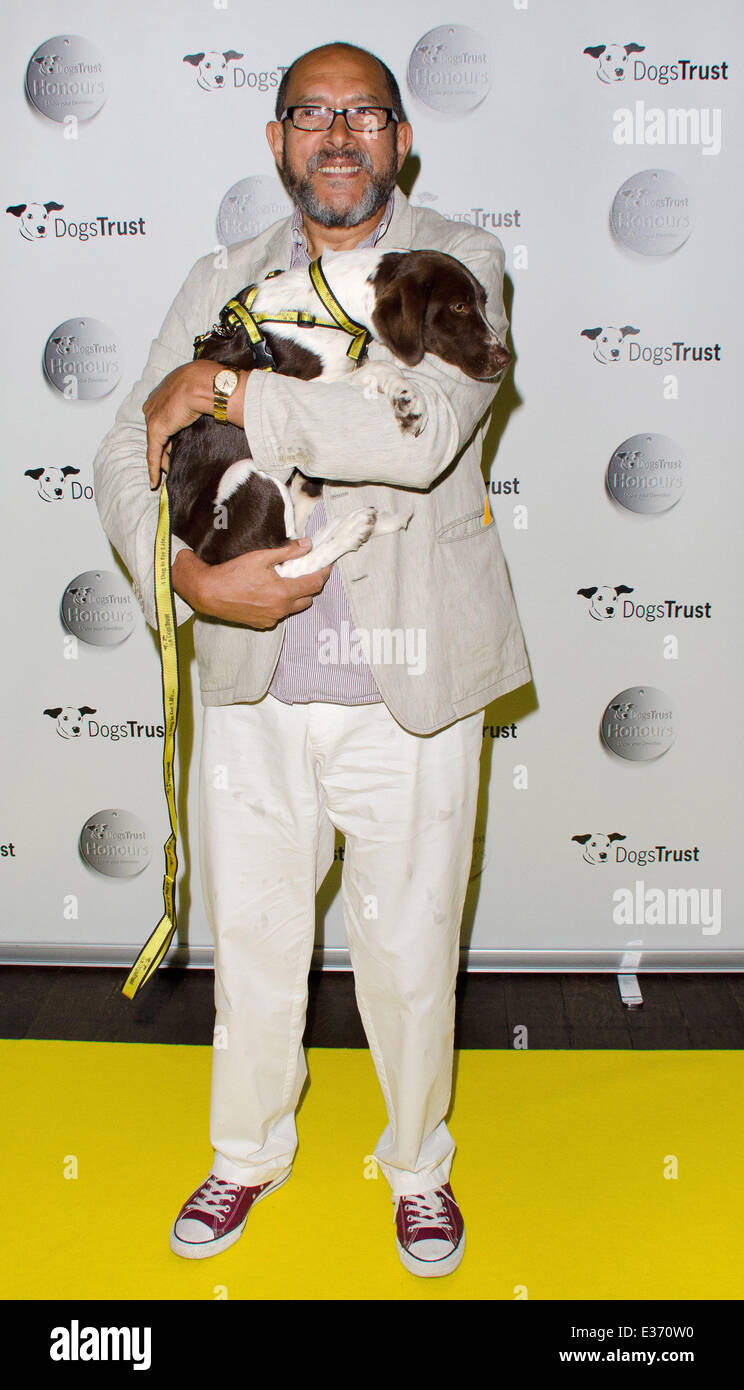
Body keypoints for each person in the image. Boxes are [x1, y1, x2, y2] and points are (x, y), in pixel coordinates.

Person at [93, 40, 531, 1278]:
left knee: (407, 954)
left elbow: (420, 425)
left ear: (400, 138)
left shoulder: (460, 262)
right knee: (259, 947)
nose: (337, 138)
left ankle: (416, 1168)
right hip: (252, 683)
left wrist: (224, 391)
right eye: (310, 115)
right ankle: (245, 1157)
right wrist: (185, 577)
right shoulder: (217, 275)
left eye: (363, 115)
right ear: (277, 140)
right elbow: (123, 448)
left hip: (415, 690)